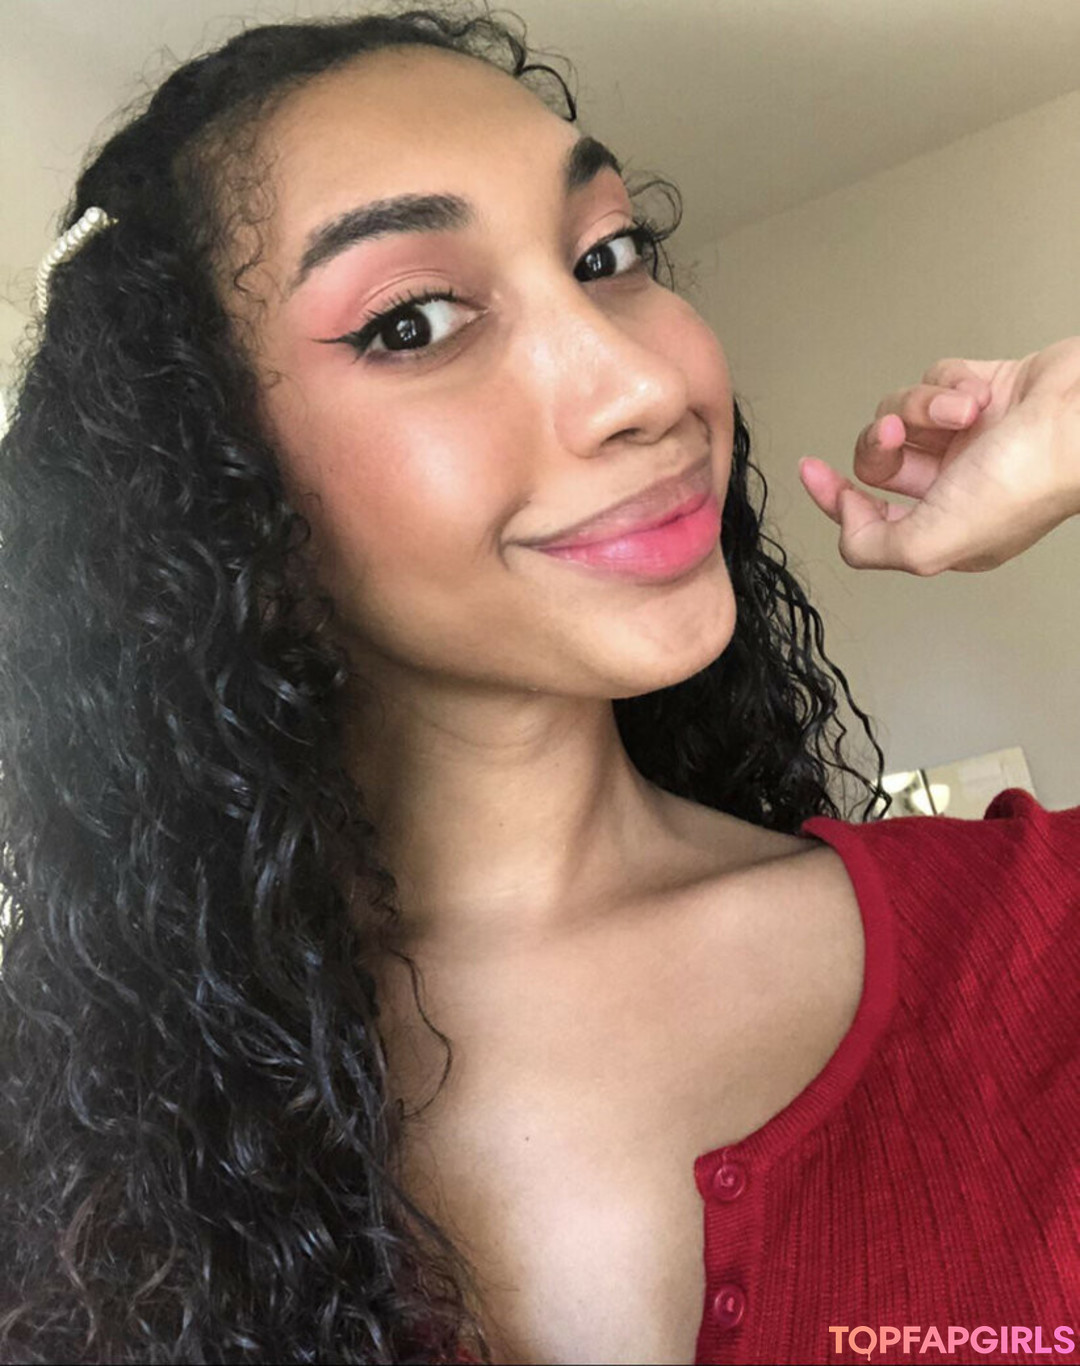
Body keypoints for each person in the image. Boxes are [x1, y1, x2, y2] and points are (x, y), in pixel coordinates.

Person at [0, 6, 1076, 1364]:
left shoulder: (1041, 931)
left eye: (607, 255)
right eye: (413, 321)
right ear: (205, 493)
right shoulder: (58, 1136)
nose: (641, 386)